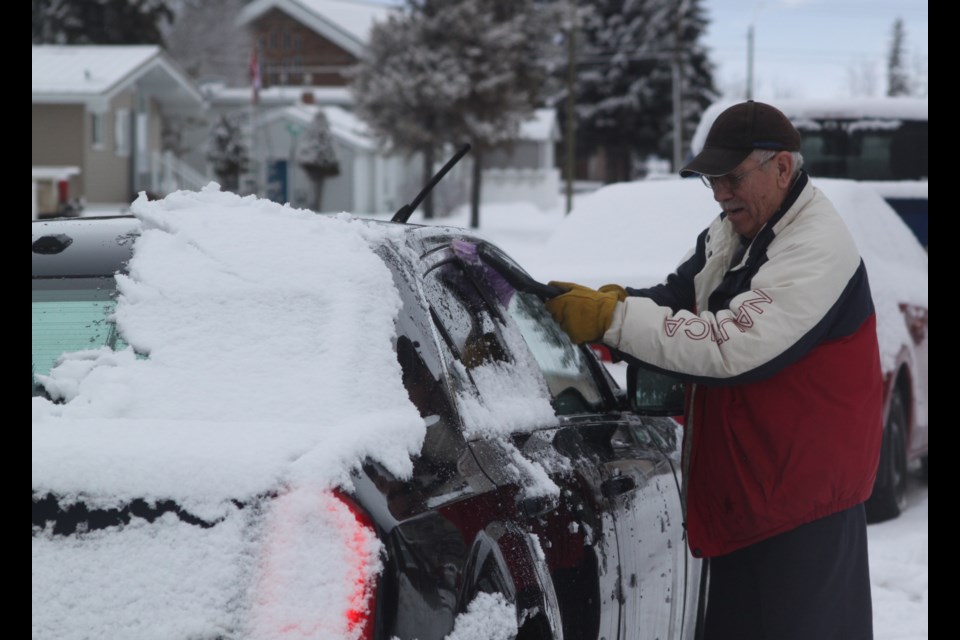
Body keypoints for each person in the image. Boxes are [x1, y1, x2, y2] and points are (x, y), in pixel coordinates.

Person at [545, 100, 883, 640]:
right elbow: (680, 298)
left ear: (782, 168)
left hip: (803, 513)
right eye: (712, 181)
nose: (722, 193)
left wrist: (614, 319)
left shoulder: (815, 247)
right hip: (752, 502)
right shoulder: (734, 232)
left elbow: (730, 345)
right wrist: (607, 306)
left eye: (731, 177)